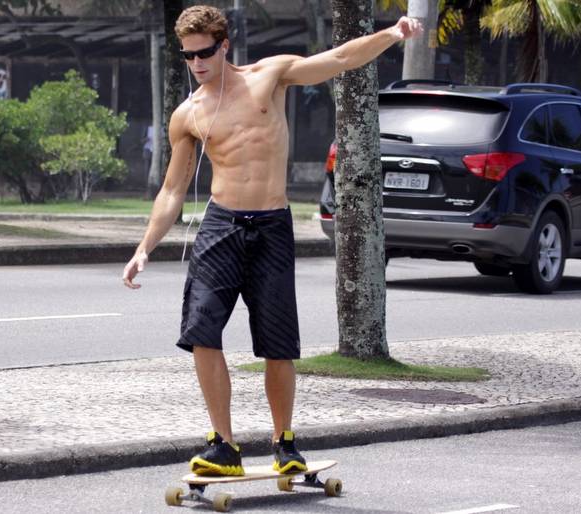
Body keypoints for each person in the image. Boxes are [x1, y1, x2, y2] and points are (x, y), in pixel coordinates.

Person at [122, 5, 423, 476]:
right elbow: (173, 190)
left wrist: (392, 33)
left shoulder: (270, 76)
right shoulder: (188, 114)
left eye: (204, 53)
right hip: (221, 225)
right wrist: (144, 248)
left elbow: (340, 58)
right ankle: (223, 444)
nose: (197, 64)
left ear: (224, 46)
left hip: (272, 226)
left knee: (278, 343)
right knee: (202, 329)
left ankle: (284, 442)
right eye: (188, 56)